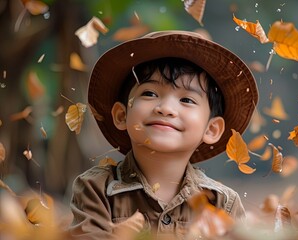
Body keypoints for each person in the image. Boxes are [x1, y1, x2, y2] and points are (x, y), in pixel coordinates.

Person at [69, 30, 258, 240]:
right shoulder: (97, 189)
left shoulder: (222, 202)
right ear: (122, 115)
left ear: (211, 129)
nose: (165, 108)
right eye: (149, 93)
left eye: (186, 100)